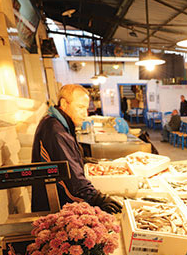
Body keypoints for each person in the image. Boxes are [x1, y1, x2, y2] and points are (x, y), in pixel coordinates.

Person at [31, 84, 122, 214]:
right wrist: (98, 199)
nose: (85, 114)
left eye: (86, 109)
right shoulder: (55, 131)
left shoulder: (58, 122)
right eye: (80, 107)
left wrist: (82, 160)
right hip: (56, 207)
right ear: (64, 103)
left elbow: (65, 158)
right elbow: (72, 180)